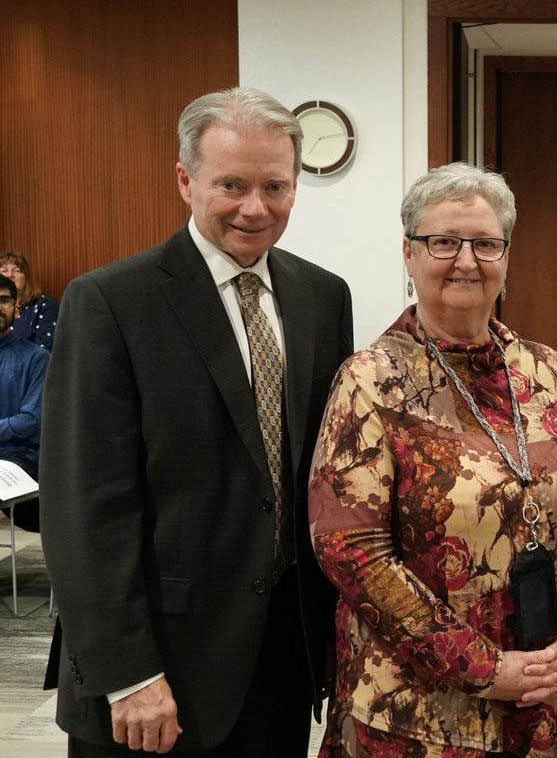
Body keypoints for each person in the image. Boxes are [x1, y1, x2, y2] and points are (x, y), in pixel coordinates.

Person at [39, 87, 354, 756]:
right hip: (156, 674)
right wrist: (128, 674)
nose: (255, 207)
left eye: (276, 185)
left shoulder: (323, 298)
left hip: (280, 663)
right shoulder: (110, 303)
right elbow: (84, 507)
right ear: (185, 180)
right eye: (231, 185)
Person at [308, 162, 557, 758]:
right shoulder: (370, 380)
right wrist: (482, 666)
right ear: (409, 253)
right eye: (443, 242)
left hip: (551, 705)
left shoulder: (548, 371)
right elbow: (350, 550)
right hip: (420, 717)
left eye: (485, 243)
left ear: (506, 254)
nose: (466, 260)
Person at [0, 273, 48, 532]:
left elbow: (31, 421)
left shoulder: (36, 358)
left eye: (4, 300)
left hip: (18, 455)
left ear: (16, 310)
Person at [0, 251, 58, 351]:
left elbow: (44, 352)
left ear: (26, 277)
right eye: (4, 271)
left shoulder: (44, 305)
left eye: (17, 270)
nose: (10, 275)